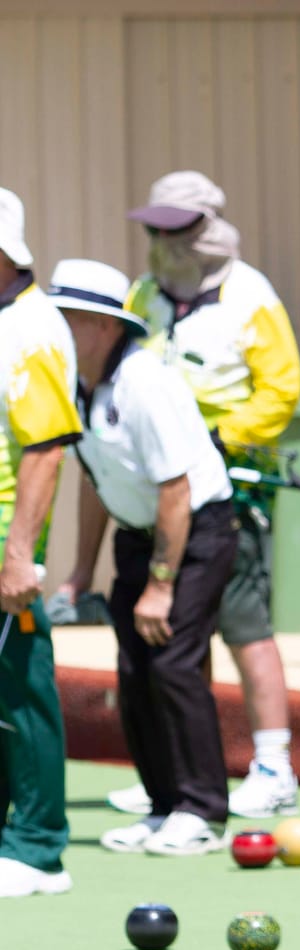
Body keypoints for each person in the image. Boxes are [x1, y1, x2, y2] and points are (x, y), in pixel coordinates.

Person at [106, 171, 300, 820]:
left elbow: (281, 389)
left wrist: (219, 438)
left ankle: (273, 764)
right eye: (153, 228)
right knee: (176, 635)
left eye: (175, 227)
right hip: (159, 486)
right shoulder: (143, 293)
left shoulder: (250, 295)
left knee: (244, 624)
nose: (161, 240)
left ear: (208, 227)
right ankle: (171, 769)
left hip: (230, 484)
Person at [47, 260, 236, 856]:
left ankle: (202, 811)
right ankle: (163, 808)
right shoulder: (77, 383)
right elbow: (95, 481)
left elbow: (176, 489)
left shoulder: (144, 383)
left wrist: (161, 585)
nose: (58, 332)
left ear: (103, 326)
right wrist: (81, 569)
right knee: (133, 672)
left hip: (196, 532)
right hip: (139, 533)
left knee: (174, 664)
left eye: (69, 320)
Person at [0, 188, 82, 899]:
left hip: (3, 541)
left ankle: (37, 848)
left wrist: (19, 554)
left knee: (23, 688)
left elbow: (47, 448)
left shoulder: (30, 330)